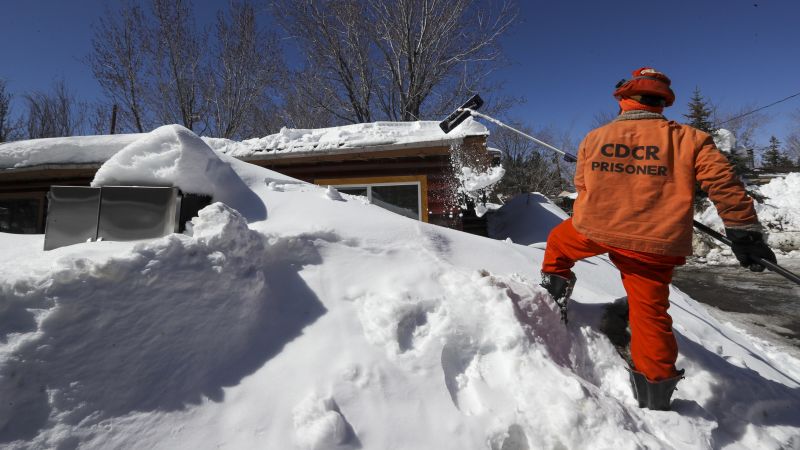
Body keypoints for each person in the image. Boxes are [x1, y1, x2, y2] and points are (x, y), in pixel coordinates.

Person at [539, 67, 777, 410]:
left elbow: (582, 187)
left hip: (594, 229)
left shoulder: (594, 137)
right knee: (649, 313)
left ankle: (552, 297)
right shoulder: (691, 139)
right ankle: (655, 394)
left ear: (623, 98)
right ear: (662, 102)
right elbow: (724, 185)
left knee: (558, 245)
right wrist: (744, 232)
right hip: (653, 243)